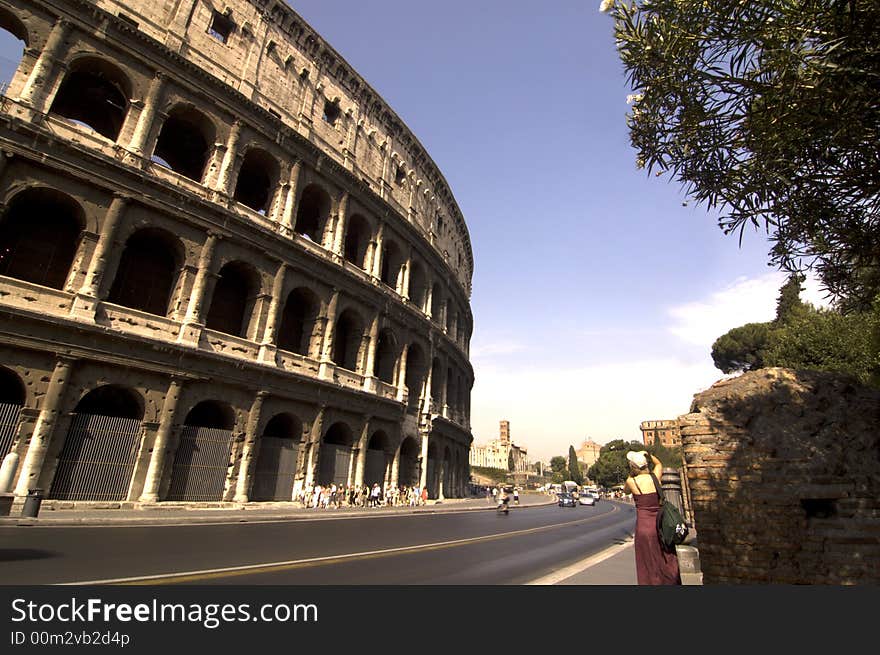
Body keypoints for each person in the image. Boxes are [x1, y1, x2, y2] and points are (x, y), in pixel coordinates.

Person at [624, 450, 681, 585]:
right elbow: (659, 463)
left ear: (632, 467)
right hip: (660, 524)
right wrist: (648, 454)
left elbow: (626, 490)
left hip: (643, 526)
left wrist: (631, 472)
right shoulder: (655, 476)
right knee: (666, 557)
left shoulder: (631, 481)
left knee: (647, 562)